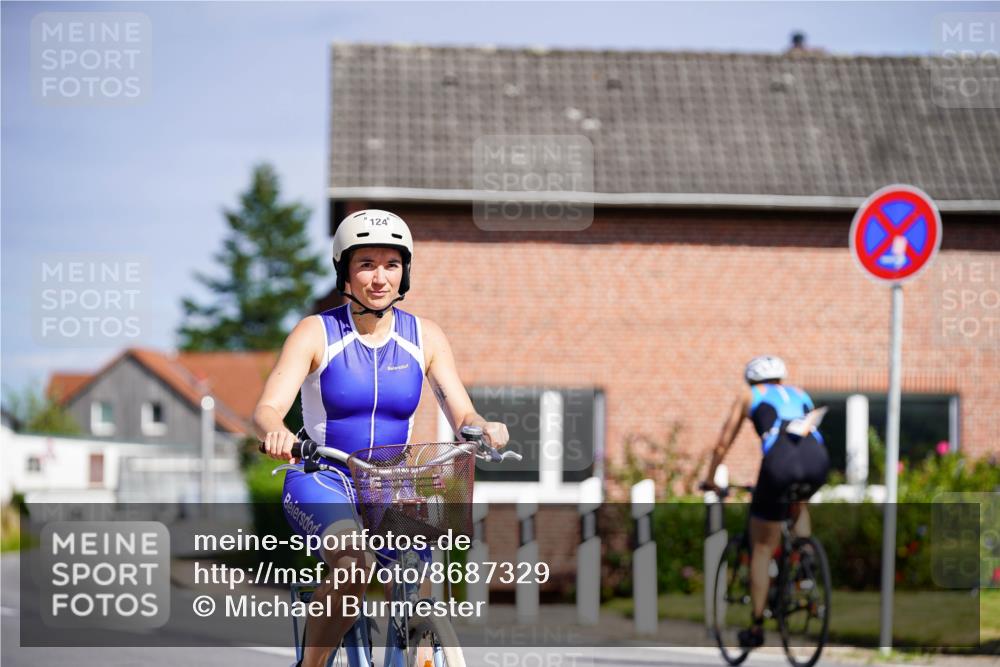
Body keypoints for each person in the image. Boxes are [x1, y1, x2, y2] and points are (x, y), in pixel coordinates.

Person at [254, 209, 509, 667]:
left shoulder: (425, 337)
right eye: (366, 264)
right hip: (323, 478)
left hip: (390, 483)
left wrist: (483, 427)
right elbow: (268, 407)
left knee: (418, 581)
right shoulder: (316, 332)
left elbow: (462, 411)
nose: (379, 278)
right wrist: (277, 431)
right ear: (345, 271)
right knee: (353, 565)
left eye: (391, 264)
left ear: (404, 271)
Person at [702, 355, 829, 649]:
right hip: (818, 459)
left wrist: (710, 479)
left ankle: (757, 626)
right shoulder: (800, 393)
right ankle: (805, 563)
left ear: (751, 379)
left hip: (780, 462)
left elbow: (722, 443)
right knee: (798, 501)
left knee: (761, 546)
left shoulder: (750, 395)